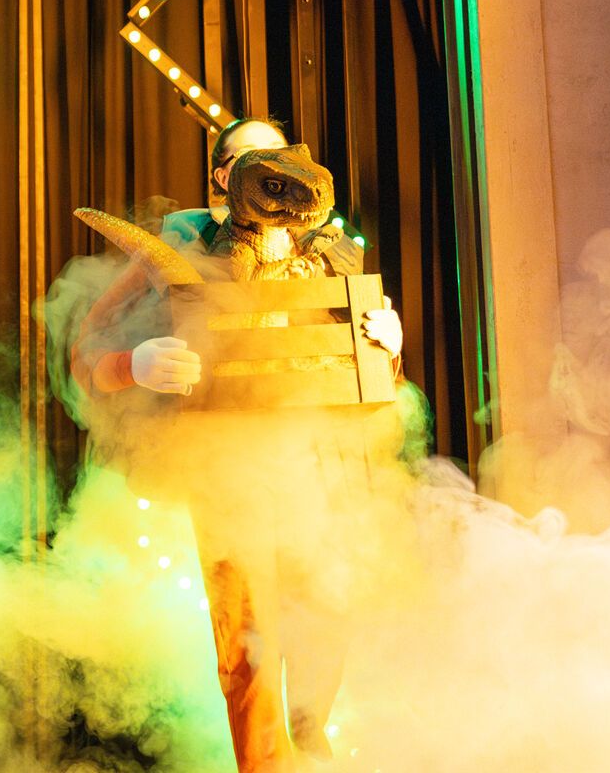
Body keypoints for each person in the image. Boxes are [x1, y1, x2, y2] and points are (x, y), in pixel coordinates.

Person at [70, 116, 402, 770]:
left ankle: (312, 753)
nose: (265, 174)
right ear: (221, 175)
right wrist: (131, 365)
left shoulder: (333, 254)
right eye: (247, 160)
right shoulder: (179, 252)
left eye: (276, 158)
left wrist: (388, 349)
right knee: (249, 645)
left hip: (320, 466)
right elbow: (85, 351)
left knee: (323, 626)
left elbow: (367, 377)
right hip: (223, 471)